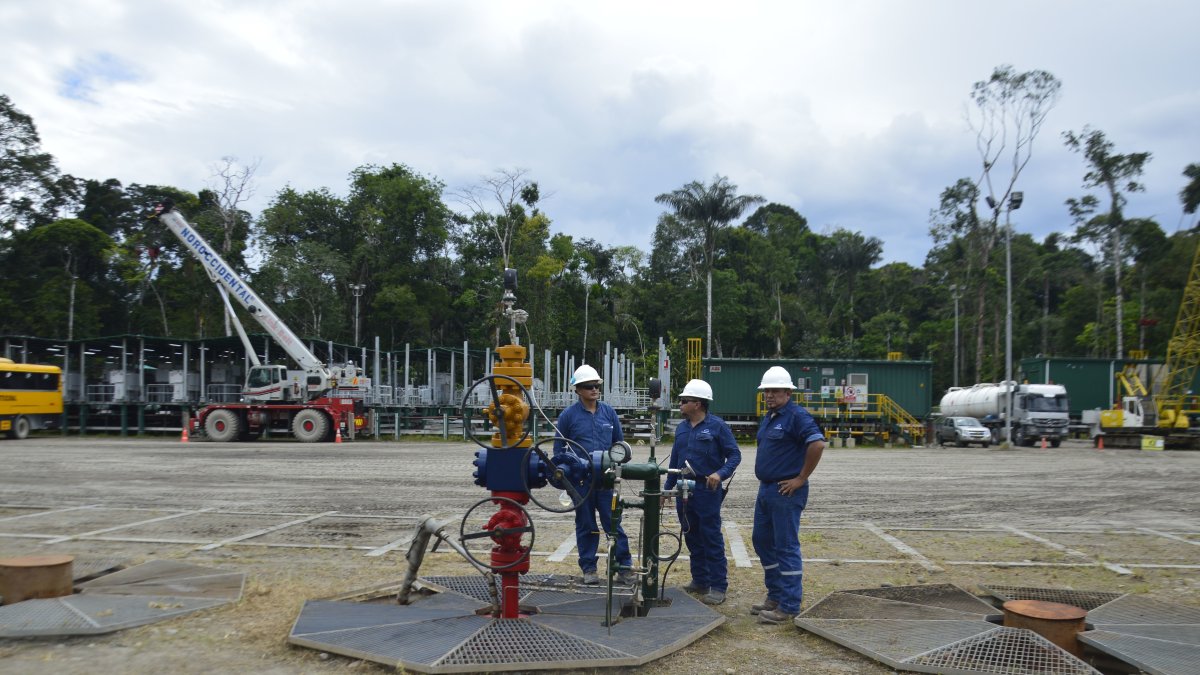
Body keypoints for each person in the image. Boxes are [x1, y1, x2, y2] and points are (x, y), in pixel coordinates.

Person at [751, 365, 825, 624]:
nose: (769, 395)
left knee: (785, 546)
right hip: (767, 489)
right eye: (766, 391)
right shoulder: (770, 417)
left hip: (785, 491)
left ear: (788, 392)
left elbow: (817, 443)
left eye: (774, 391)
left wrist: (801, 478)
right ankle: (775, 595)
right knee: (761, 541)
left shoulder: (796, 416)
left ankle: (790, 605)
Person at [553, 364, 633, 585]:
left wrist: (619, 467)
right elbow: (559, 451)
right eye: (589, 386)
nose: (594, 390)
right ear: (577, 389)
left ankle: (624, 567)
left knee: (613, 523)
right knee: (586, 524)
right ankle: (589, 569)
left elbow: (620, 445)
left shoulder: (608, 412)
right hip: (581, 481)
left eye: (596, 385)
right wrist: (566, 480)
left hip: (606, 479)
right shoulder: (568, 417)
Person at [663, 379, 741, 605]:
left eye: (684, 400)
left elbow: (734, 455)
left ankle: (718, 586)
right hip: (683, 488)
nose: (680, 403)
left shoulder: (717, 426)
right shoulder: (681, 428)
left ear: (698, 404)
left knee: (711, 537)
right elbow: (675, 461)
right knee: (691, 534)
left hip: (707, 489)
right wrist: (667, 490)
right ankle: (700, 580)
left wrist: (720, 473)